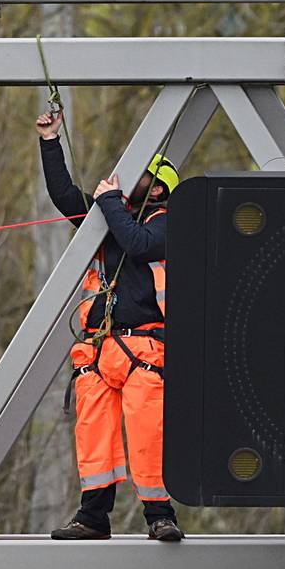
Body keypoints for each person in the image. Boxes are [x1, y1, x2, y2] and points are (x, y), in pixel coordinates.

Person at [35, 111, 184, 542]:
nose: (124, 180)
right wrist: (50, 141)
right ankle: (93, 516)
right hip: (101, 351)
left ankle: (160, 514)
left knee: (147, 433)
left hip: (145, 350)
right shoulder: (111, 220)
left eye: (139, 176)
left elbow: (139, 246)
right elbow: (65, 196)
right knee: (94, 434)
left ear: (156, 189)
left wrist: (110, 203)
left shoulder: (168, 224)